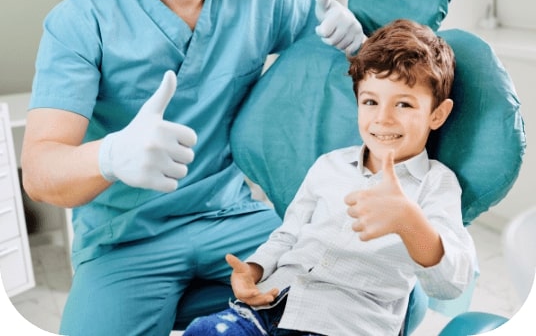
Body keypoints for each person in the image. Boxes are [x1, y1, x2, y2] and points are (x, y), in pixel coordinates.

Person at [20, 0, 364, 335]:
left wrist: (356, 38)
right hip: (126, 239)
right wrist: (111, 156)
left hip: (233, 219)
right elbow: (40, 170)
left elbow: (356, 62)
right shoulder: (83, 18)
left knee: (372, 295)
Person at [182, 19, 478, 336]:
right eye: (371, 101)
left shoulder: (436, 184)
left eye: (403, 104)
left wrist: (408, 220)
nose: (383, 118)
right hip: (270, 304)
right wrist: (253, 270)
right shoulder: (329, 165)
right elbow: (288, 235)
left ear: (438, 114)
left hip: (343, 324)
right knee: (203, 331)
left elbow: (451, 283)